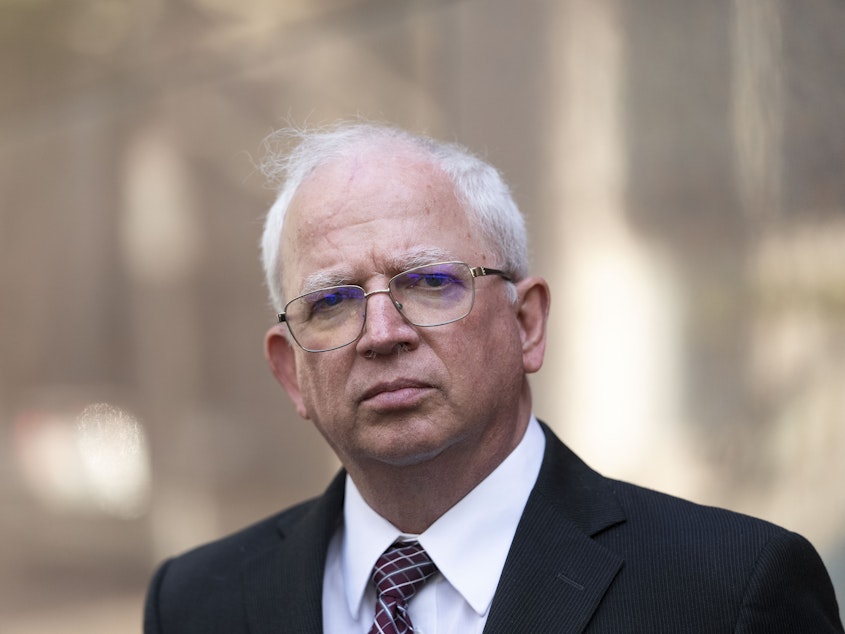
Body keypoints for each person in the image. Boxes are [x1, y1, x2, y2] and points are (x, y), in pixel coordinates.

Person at [143, 122, 843, 633]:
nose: (383, 334)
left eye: (428, 282)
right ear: (290, 370)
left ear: (527, 323)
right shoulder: (197, 603)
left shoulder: (725, 595)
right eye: (331, 302)